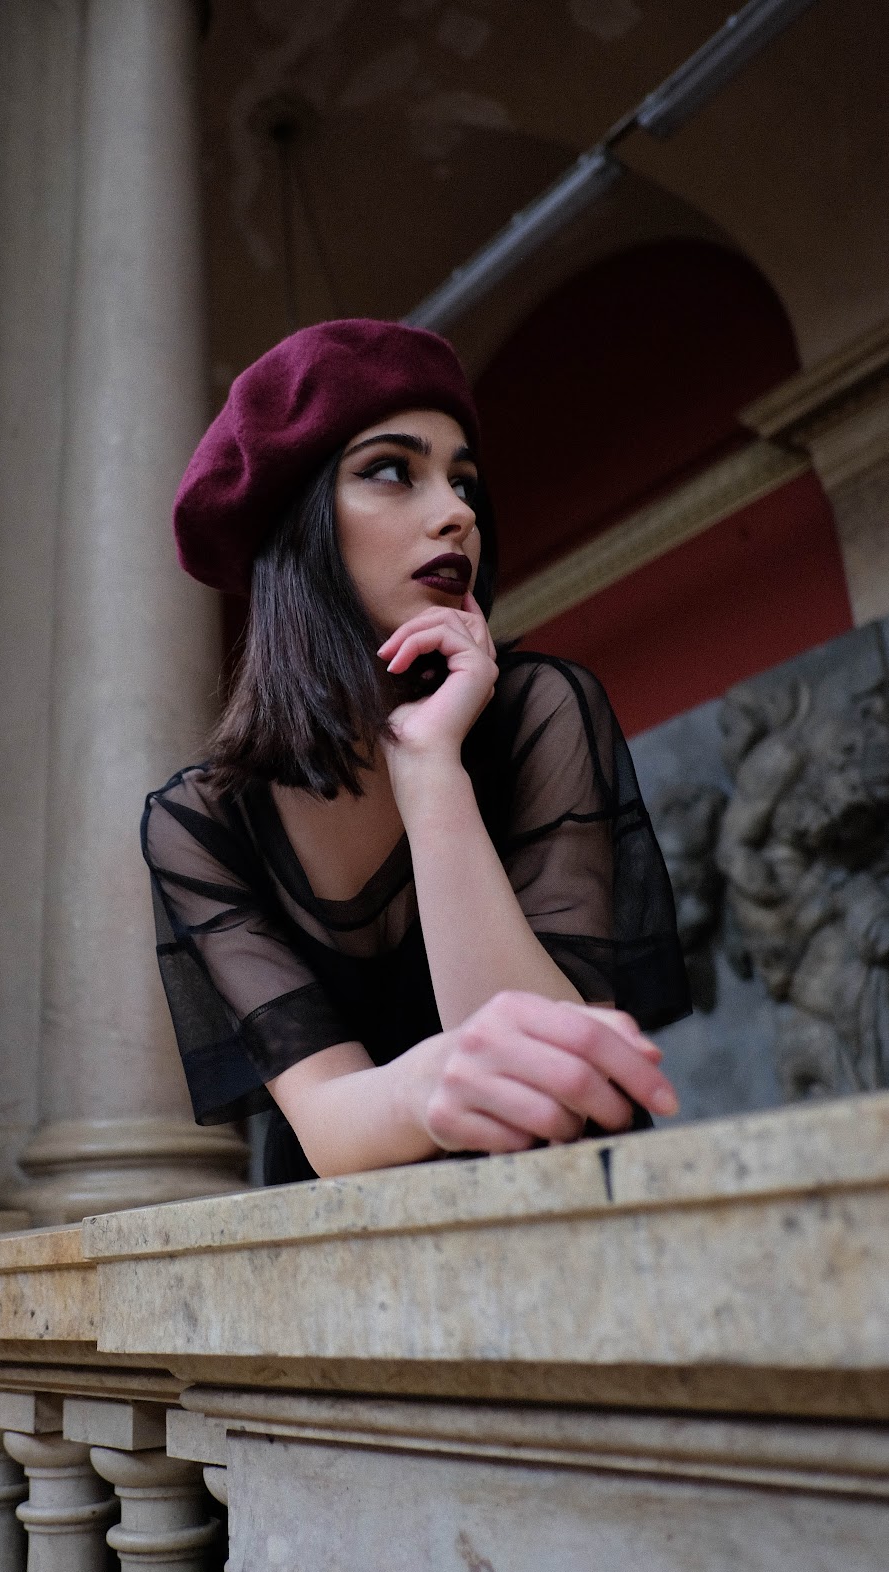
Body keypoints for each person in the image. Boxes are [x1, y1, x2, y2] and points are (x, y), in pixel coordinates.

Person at [143, 319, 691, 1185]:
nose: (458, 513)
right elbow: (328, 1126)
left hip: (556, 1211)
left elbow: (555, 1097)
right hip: (345, 1232)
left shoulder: (539, 710)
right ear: (297, 527)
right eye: (393, 471)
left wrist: (428, 761)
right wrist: (434, 1081)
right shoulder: (200, 821)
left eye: (462, 480)